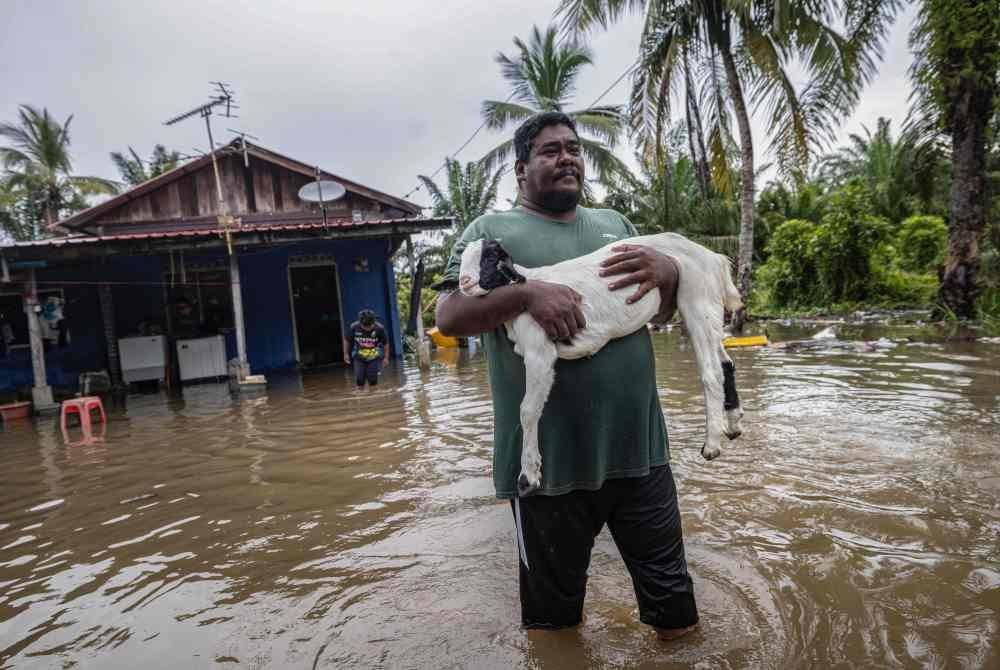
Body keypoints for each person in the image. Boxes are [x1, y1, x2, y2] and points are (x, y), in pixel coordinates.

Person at [435, 112, 698, 638]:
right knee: (554, 628)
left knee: (677, 617)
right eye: (551, 150)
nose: (567, 158)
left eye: (574, 148)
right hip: (545, 471)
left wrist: (671, 274)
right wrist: (527, 294)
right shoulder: (490, 232)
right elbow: (449, 316)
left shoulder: (615, 226)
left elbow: (664, 310)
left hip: (639, 455)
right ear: (520, 167)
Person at [343, 309, 390, 390]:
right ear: (360, 323)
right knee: (359, 379)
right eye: (365, 327)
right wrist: (346, 354)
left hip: (373, 357)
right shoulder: (354, 327)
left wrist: (386, 358)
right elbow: (346, 340)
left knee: (373, 380)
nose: (367, 329)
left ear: (373, 322)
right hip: (358, 357)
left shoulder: (380, 329)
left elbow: (386, 343)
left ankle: (374, 397)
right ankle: (361, 399)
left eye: (369, 326)